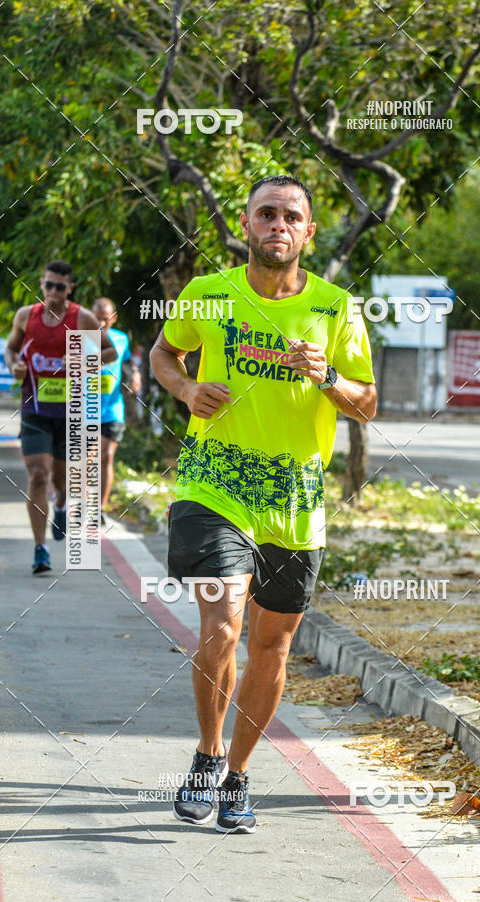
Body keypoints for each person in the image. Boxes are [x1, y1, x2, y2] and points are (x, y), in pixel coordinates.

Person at [150, 174, 376, 834]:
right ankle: (207, 752)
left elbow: (367, 402)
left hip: (296, 501)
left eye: (291, 216)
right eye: (266, 213)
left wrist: (328, 377)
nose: (278, 224)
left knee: (272, 647)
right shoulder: (208, 295)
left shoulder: (337, 309)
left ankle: (239, 774)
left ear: (308, 233)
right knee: (221, 628)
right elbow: (164, 354)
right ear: (246, 226)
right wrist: (187, 392)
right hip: (214, 483)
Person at [5, 260, 117, 574]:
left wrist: (86, 357)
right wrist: (15, 365)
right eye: (48, 284)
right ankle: (40, 549)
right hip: (35, 408)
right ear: (41, 284)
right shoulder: (26, 316)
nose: (53, 291)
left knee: (61, 480)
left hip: (71, 411)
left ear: (70, 287)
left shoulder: (82, 317)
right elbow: (12, 349)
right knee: (38, 475)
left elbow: (110, 352)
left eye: (60, 286)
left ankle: (61, 504)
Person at [92, 297, 141, 524]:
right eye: (97, 318)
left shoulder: (121, 339)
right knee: (88, 458)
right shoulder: (79, 338)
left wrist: (136, 375)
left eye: (106, 318)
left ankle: (99, 508)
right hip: (85, 409)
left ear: (114, 318)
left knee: (107, 456)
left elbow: (129, 362)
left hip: (113, 409)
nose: (101, 323)